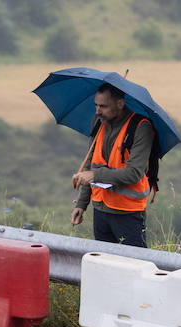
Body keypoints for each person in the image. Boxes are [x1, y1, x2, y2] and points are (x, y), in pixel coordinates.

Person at [70, 82, 154, 248]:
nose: (98, 111)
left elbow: (134, 173)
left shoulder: (140, 127)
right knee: (105, 266)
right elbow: (90, 165)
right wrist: (81, 204)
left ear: (120, 104)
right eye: (96, 105)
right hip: (100, 210)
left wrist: (95, 175)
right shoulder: (99, 122)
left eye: (103, 106)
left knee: (134, 266)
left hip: (128, 213)